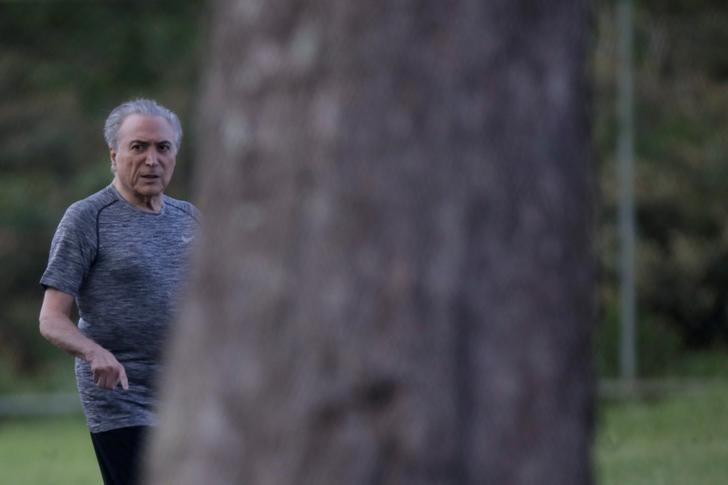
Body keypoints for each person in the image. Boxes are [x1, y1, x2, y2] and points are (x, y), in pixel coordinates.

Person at [39, 98, 199, 485]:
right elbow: (51, 318)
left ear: (175, 154)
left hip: (187, 392)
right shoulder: (87, 218)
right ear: (114, 155)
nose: (152, 160)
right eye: (138, 147)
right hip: (121, 395)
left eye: (163, 148)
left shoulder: (190, 217)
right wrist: (94, 352)